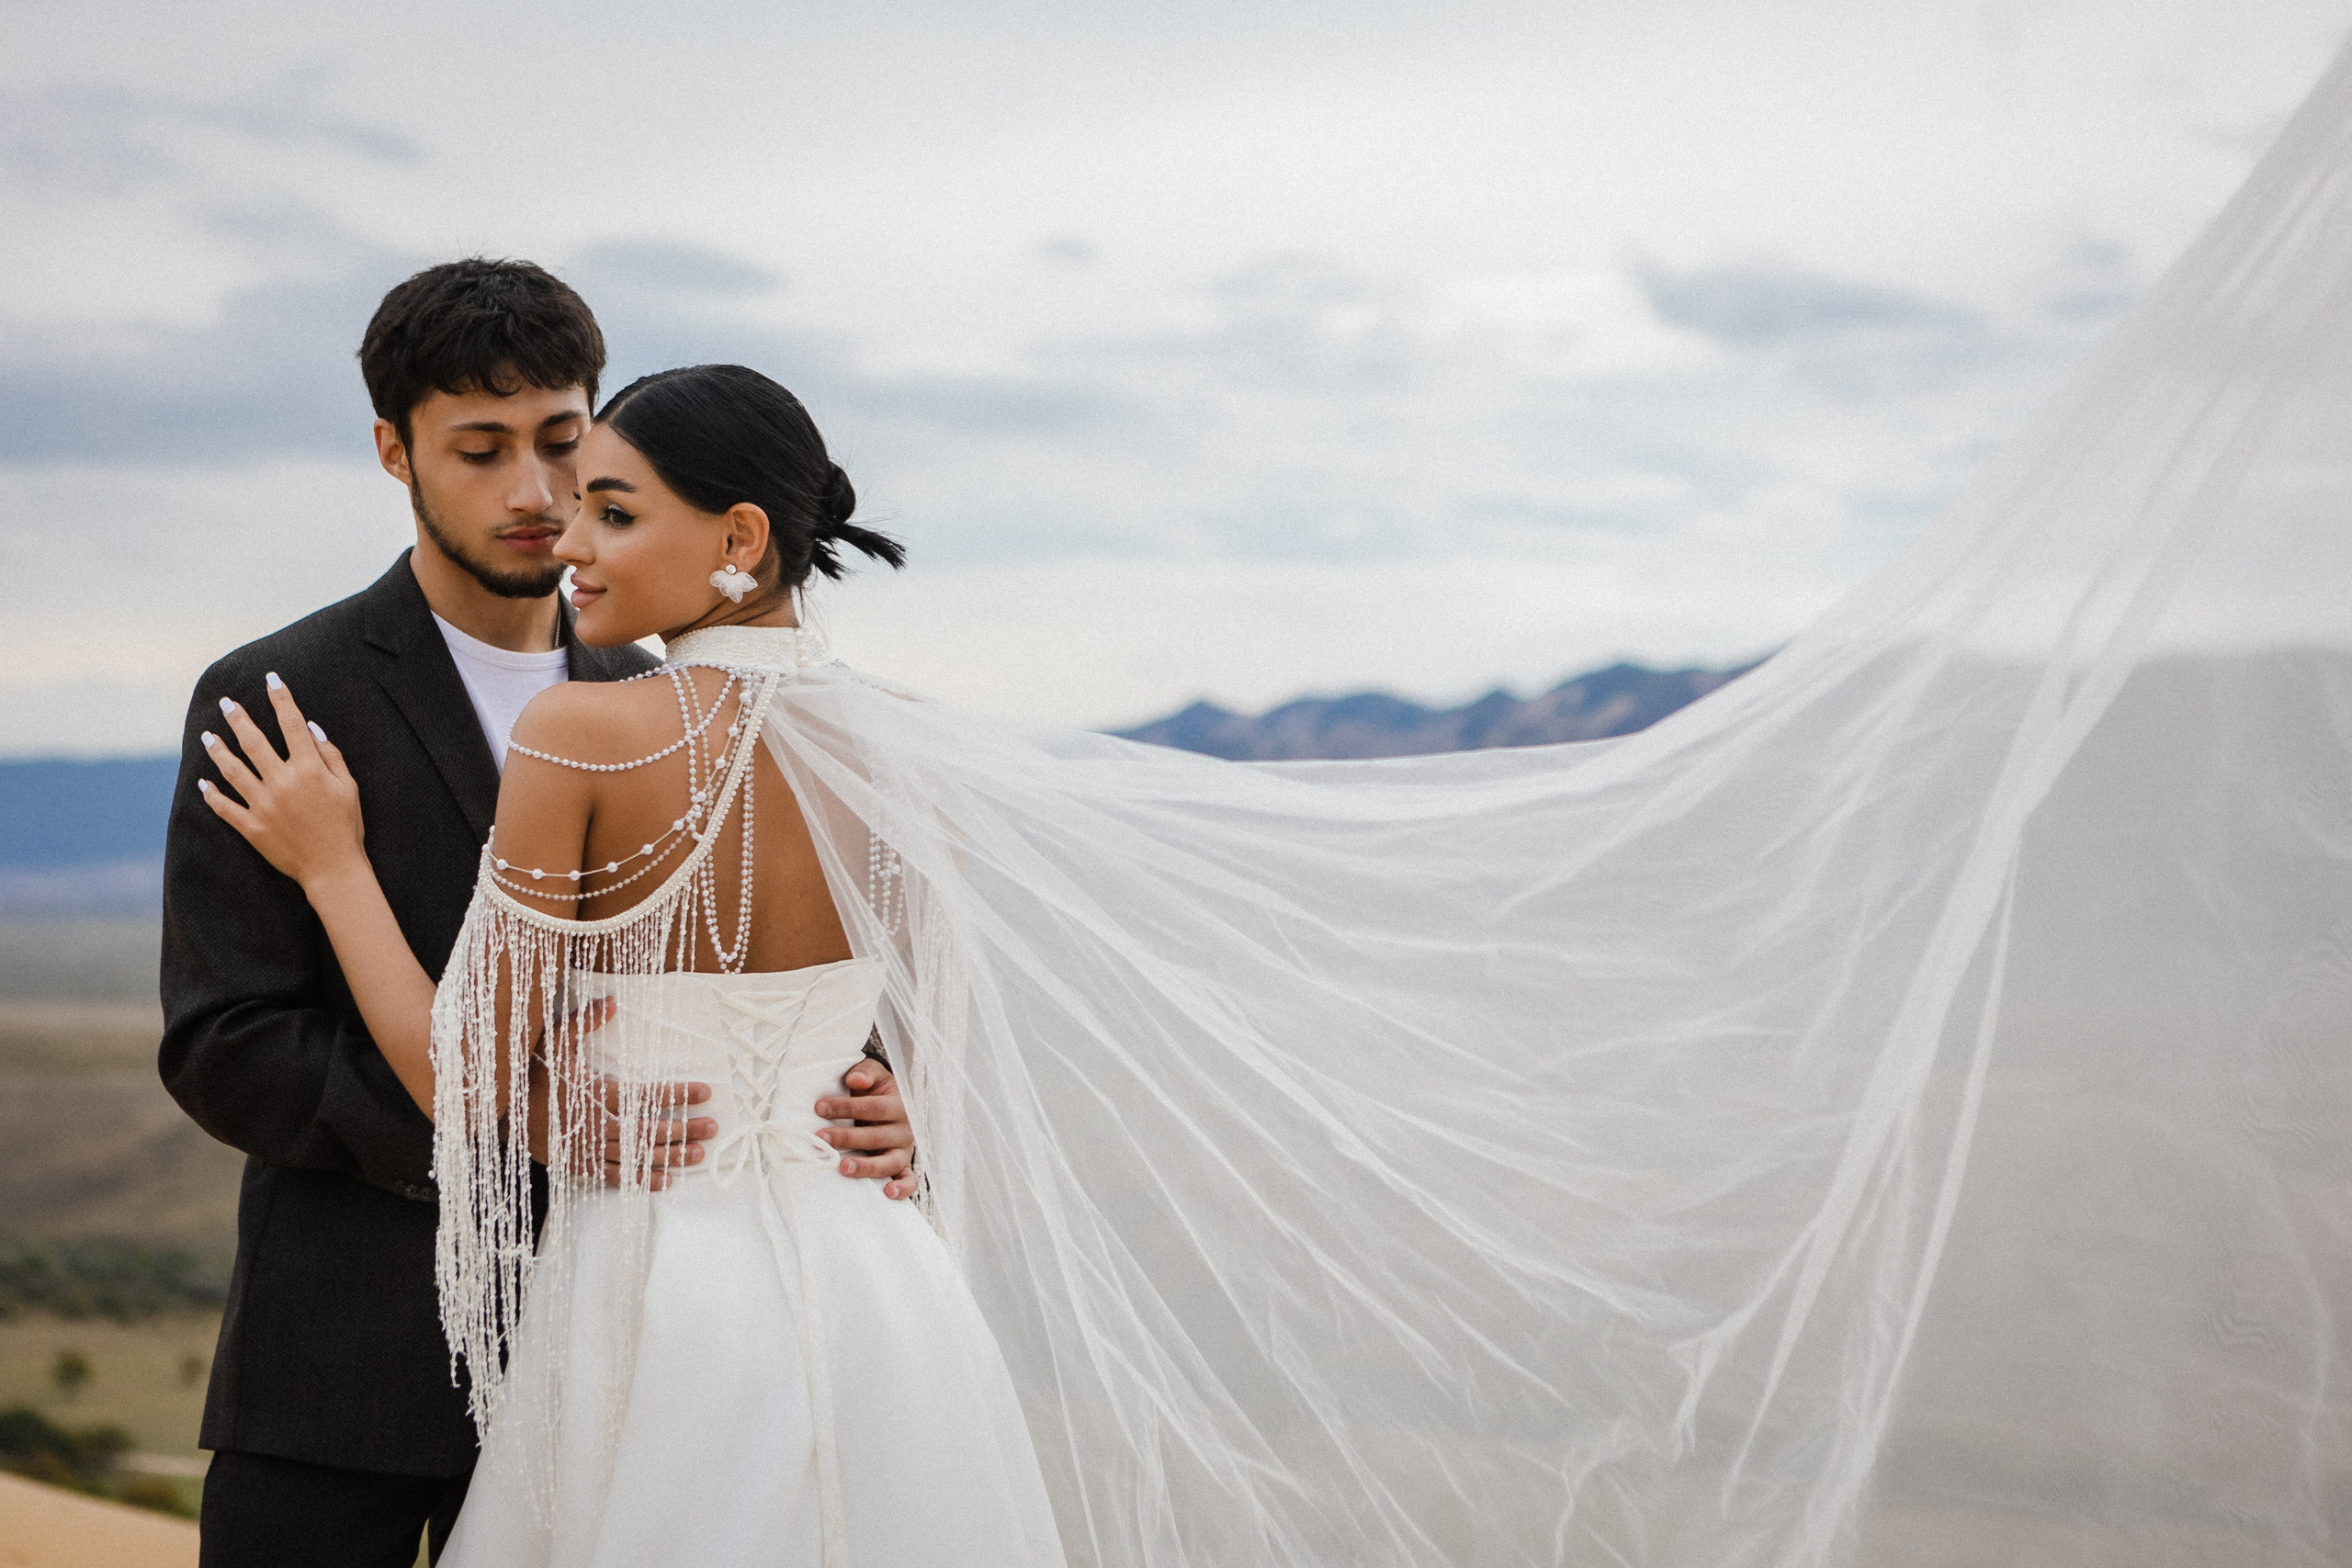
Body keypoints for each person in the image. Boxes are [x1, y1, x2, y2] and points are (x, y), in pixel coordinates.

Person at [200, 363, 1064, 1564]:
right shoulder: (909, 747)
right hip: (885, 1303)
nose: (572, 546)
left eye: (614, 511)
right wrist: (896, 1108)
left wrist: (333, 866)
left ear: (739, 536)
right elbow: (917, 1055)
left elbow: (464, 1082)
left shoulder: (588, 735)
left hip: (665, 1301)